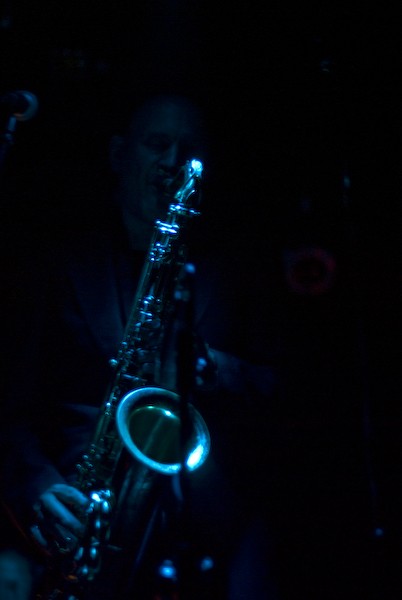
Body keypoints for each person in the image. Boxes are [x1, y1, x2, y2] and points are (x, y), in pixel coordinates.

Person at [0, 91, 279, 599]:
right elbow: (7, 404)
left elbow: (287, 389)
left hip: (203, 533)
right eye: (157, 143)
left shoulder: (239, 268)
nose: (171, 161)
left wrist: (213, 367)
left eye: (187, 148)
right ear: (118, 155)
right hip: (75, 520)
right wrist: (37, 487)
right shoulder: (55, 260)